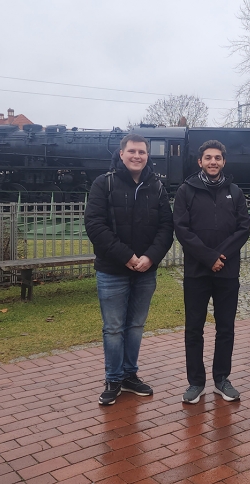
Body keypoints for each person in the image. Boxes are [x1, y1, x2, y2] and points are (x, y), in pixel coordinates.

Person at [84, 133, 174, 406]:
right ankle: (113, 378)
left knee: (135, 326)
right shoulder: (104, 184)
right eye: (132, 151)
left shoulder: (156, 187)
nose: (137, 156)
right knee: (113, 328)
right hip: (112, 270)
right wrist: (126, 256)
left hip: (145, 271)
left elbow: (166, 227)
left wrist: (150, 257)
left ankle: (129, 375)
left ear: (147, 156)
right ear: (121, 154)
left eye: (142, 152)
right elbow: (95, 225)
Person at [173, 140, 250, 404]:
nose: (213, 162)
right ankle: (196, 382)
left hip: (227, 272)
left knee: (225, 328)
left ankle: (222, 379)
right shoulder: (186, 191)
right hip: (197, 272)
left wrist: (220, 257)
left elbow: (243, 229)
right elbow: (182, 229)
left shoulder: (235, 192)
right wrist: (208, 258)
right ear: (200, 162)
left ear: (224, 161)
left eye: (217, 157)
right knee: (194, 329)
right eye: (208, 157)